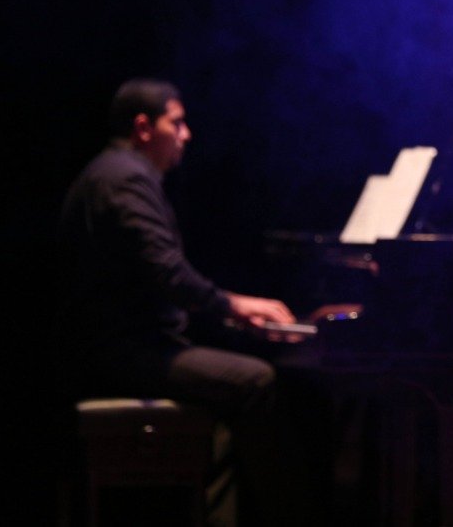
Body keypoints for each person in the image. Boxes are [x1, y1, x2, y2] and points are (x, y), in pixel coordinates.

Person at [56, 78, 304, 526]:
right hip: (127, 353)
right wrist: (233, 305)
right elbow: (168, 273)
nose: (186, 135)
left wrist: (228, 314)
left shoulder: (113, 173)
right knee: (257, 383)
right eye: (177, 123)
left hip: (124, 344)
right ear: (143, 127)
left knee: (240, 377)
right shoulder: (126, 179)